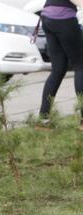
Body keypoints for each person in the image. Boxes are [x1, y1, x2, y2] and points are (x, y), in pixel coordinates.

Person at [36, 0, 83, 129]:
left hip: (48, 17)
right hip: (63, 18)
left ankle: (43, 119)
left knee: (58, 69)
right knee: (80, 65)